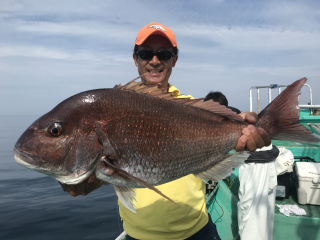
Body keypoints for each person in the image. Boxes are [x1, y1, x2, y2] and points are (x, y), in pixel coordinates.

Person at [60, 22, 271, 240]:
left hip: (196, 230)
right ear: (135, 59)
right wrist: (87, 178)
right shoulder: (115, 109)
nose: (154, 60)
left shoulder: (191, 107)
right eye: (145, 54)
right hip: (138, 235)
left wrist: (243, 125)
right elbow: (120, 171)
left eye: (164, 54)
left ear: (174, 60)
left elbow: (229, 124)